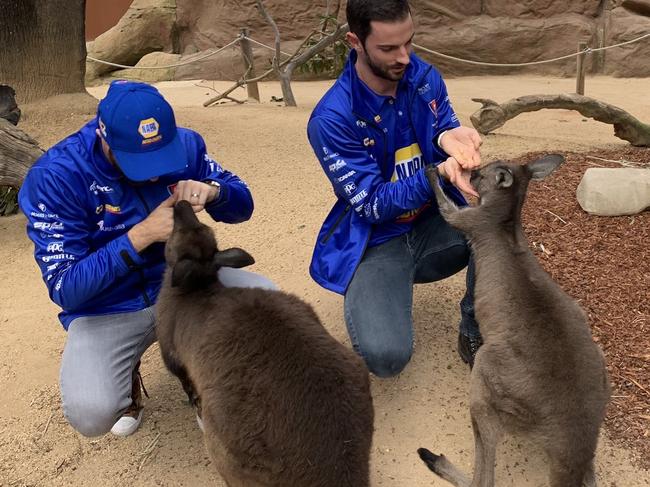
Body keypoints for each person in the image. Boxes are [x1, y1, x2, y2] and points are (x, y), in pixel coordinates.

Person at [18, 80, 275, 437]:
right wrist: (139, 236)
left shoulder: (185, 145)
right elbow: (66, 288)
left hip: (183, 284)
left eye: (161, 158)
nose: (155, 172)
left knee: (268, 304)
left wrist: (216, 194)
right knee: (91, 413)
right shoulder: (55, 177)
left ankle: (200, 378)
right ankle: (128, 381)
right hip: (107, 307)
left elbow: (243, 206)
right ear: (104, 136)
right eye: (139, 162)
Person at [307, 0, 483, 378]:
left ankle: (474, 323)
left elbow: (443, 123)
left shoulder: (423, 76)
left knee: (494, 220)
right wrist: (437, 173)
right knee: (386, 358)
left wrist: (453, 136)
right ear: (355, 41)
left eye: (409, 43)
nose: (404, 57)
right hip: (378, 238)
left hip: (431, 221)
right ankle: (378, 286)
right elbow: (371, 205)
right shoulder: (332, 118)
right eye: (388, 49)